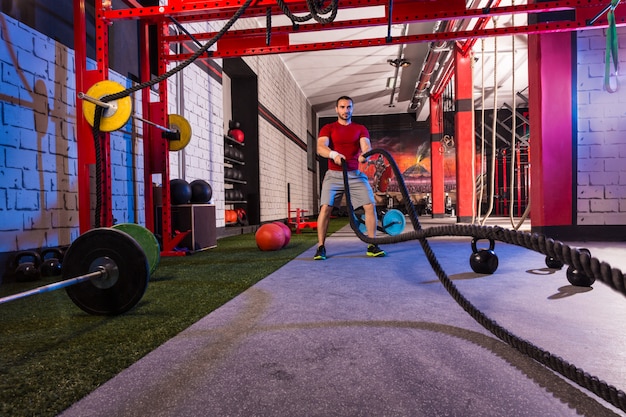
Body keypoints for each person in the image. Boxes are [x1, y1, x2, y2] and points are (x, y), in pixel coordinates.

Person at [314, 96, 386, 260]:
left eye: (348, 107)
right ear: (336, 109)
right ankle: (320, 247)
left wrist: (365, 155)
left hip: (355, 175)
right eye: (342, 107)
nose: (345, 110)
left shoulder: (360, 128)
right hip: (333, 175)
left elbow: (366, 145)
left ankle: (372, 244)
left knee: (369, 205)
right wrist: (333, 154)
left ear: (352, 109)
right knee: (325, 208)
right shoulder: (328, 128)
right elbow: (320, 147)